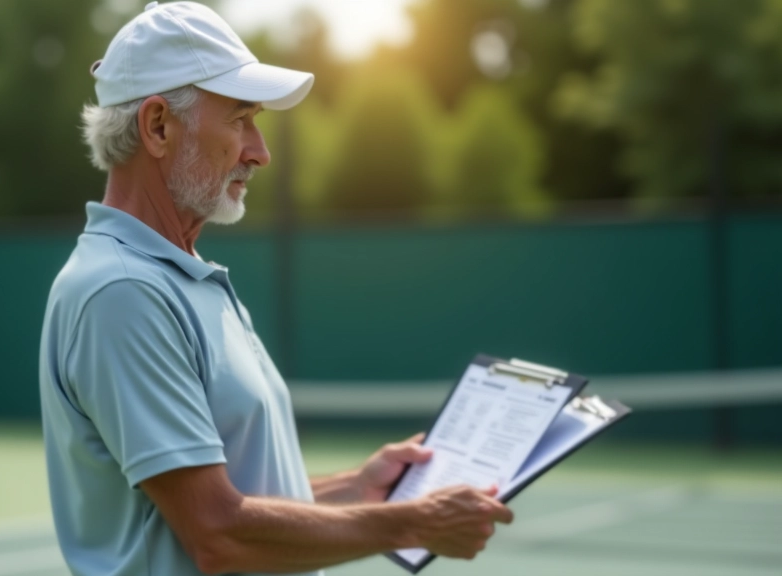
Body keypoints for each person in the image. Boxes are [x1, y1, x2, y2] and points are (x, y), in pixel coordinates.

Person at [38, 2, 513, 575]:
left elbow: (241, 497)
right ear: (158, 126)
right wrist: (414, 521)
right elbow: (219, 534)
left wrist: (357, 488)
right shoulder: (122, 292)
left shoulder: (177, 279)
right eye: (240, 119)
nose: (260, 151)